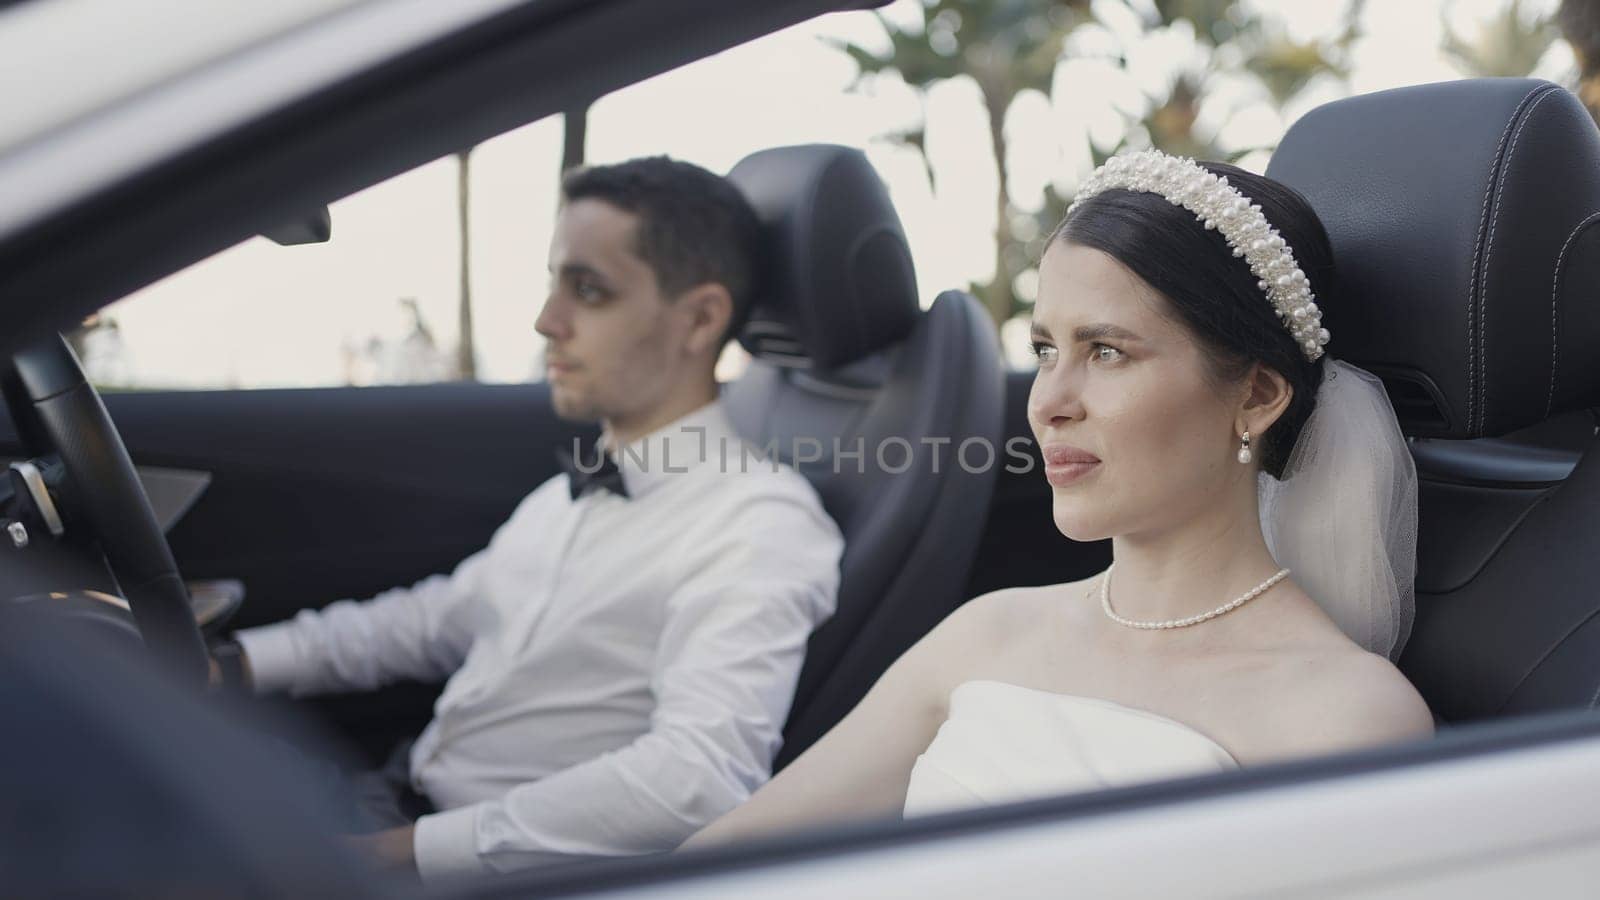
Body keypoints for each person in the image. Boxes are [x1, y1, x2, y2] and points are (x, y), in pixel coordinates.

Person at [684, 150, 1431, 846]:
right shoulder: (988, 633)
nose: (1049, 403)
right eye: (1046, 351)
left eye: (1106, 352)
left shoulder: (1346, 718)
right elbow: (719, 866)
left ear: (1259, 396)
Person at [217, 156, 844, 879]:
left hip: (455, 860)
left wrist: (396, 856)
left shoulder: (760, 523)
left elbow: (697, 779)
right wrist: (231, 665)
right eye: (554, 282)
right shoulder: (572, 491)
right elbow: (437, 618)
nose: (547, 321)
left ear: (700, 318)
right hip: (385, 800)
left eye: (589, 290)